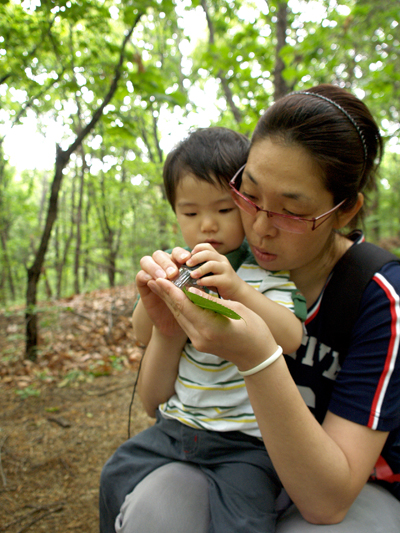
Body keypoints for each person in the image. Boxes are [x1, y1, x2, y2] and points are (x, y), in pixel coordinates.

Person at [100, 85, 400, 532]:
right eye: (248, 195)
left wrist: (256, 355)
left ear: (345, 211)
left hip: (344, 487)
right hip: (213, 451)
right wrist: (166, 325)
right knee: (151, 512)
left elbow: (327, 503)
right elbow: (152, 400)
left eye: (291, 212)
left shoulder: (378, 296)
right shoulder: (211, 271)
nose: (260, 227)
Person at [100, 126, 305, 532]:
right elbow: (144, 333)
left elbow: (292, 337)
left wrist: (239, 290)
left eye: (224, 210)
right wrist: (153, 293)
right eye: (190, 213)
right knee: (113, 475)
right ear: (175, 212)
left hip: (245, 443)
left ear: (248, 205)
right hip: (177, 427)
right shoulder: (181, 271)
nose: (207, 225)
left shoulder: (267, 276)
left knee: (245, 521)